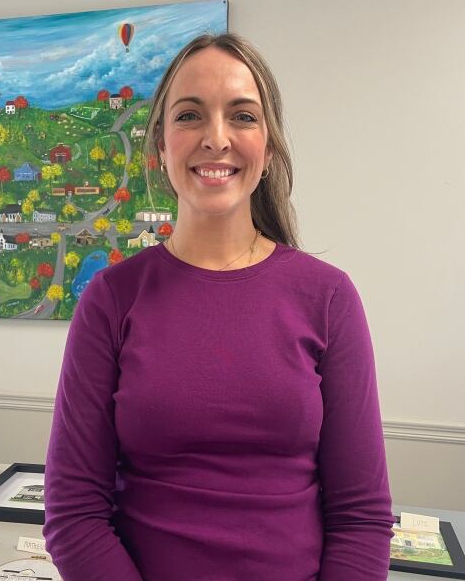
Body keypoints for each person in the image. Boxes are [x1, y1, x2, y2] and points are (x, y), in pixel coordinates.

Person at [43, 32, 394, 581]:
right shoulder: (111, 300)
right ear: (160, 146)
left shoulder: (328, 298)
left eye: (243, 116)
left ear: (269, 146)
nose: (216, 138)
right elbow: (74, 515)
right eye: (189, 116)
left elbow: (361, 519)